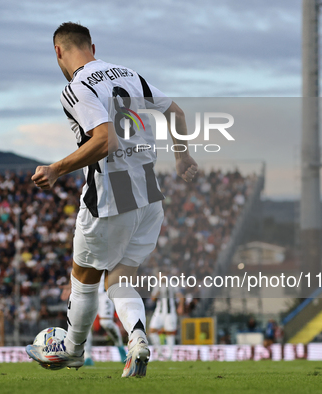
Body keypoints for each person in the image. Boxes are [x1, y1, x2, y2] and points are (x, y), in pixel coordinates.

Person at [26, 22, 198, 378]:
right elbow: (176, 112)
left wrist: (57, 168)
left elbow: (106, 141)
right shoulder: (130, 74)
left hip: (109, 199)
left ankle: (73, 350)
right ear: (92, 45)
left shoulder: (76, 86)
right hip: (149, 198)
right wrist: (182, 156)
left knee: (83, 279)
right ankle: (137, 341)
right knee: (120, 278)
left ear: (58, 52)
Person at [84, 275, 127, 366]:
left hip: (105, 292)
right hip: (89, 291)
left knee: (106, 323)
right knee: (85, 323)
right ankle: (87, 356)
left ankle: (120, 348)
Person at [149, 277, 183, 361]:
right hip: (159, 312)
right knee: (152, 331)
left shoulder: (172, 283)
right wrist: (158, 291)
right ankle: (160, 353)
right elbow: (153, 298)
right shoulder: (157, 285)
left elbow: (180, 296)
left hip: (170, 313)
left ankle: (170, 355)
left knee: (170, 333)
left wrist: (180, 306)